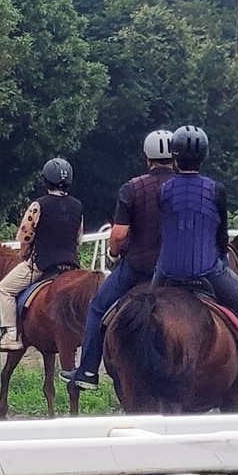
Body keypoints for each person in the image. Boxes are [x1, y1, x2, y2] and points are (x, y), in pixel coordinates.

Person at [148, 125, 238, 390]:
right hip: (208, 270)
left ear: (175, 156)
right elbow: (221, 234)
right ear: (204, 156)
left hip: (167, 271)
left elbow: (163, 229)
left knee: (144, 309)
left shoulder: (163, 191)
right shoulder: (216, 190)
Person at [60, 130, 177, 390]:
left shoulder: (133, 188)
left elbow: (119, 235)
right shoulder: (184, 188)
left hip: (138, 268)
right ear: (175, 157)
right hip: (177, 270)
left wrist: (113, 255)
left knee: (97, 308)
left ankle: (88, 370)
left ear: (147, 157)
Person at [0, 158, 84, 351]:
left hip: (42, 264)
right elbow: (78, 238)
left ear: (46, 180)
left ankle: (12, 335)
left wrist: (24, 254)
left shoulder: (38, 205)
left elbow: (26, 236)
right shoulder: (78, 206)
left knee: (4, 289)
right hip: (72, 266)